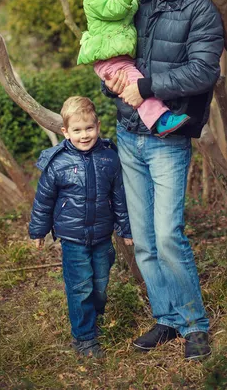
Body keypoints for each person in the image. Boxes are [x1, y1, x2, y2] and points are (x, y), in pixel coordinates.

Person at [103, 0, 224, 361]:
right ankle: (168, 319)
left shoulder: (199, 7)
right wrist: (112, 82)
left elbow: (204, 71)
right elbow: (116, 47)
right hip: (128, 131)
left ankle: (195, 325)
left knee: (168, 236)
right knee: (144, 239)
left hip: (167, 137)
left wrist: (147, 87)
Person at [29, 96, 132, 358]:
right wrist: (38, 231)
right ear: (65, 132)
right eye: (77, 130)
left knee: (99, 284)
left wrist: (126, 229)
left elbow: (120, 197)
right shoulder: (58, 162)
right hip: (72, 238)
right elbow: (44, 200)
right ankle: (84, 338)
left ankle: (92, 316)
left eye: (89, 128)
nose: (84, 135)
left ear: (98, 126)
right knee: (80, 287)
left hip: (101, 235)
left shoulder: (109, 157)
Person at [77, 0, 190, 137]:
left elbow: (131, 8)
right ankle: (161, 120)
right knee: (138, 87)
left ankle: (158, 119)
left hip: (119, 55)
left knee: (134, 86)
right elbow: (114, 10)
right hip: (109, 57)